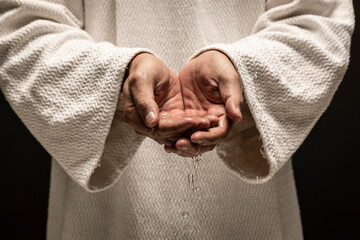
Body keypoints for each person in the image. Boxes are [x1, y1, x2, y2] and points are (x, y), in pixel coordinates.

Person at [0, 0, 354, 239]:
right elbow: (23, 23)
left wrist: (241, 72)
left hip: (247, 209)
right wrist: (120, 78)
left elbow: (316, 18)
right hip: (103, 214)